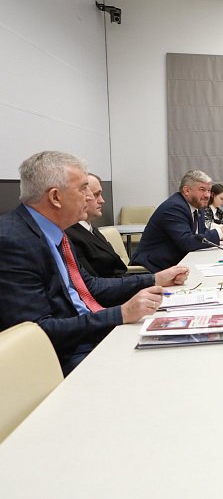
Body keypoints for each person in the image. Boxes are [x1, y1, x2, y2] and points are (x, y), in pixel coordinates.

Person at [0, 151, 189, 375]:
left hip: (90, 336)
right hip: (68, 356)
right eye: (83, 189)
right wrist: (121, 314)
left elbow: (88, 287)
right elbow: (38, 332)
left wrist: (154, 279)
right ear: (55, 197)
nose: (89, 196)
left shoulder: (54, 231)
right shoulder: (13, 241)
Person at [131, 170, 223, 272]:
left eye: (208, 190)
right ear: (186, 190)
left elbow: (201, 233)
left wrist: (220, 236)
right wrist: (219, 233)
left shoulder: (197, 206)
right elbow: (186, 242)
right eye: (202, 190)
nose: (207, 195)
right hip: (152, 269)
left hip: (176, 266)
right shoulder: (174, 207)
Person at [65, 172, 129, 278]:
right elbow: (92, 282)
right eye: (96, 195)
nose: (102, 201)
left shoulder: (93, 230)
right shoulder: (71, 235)